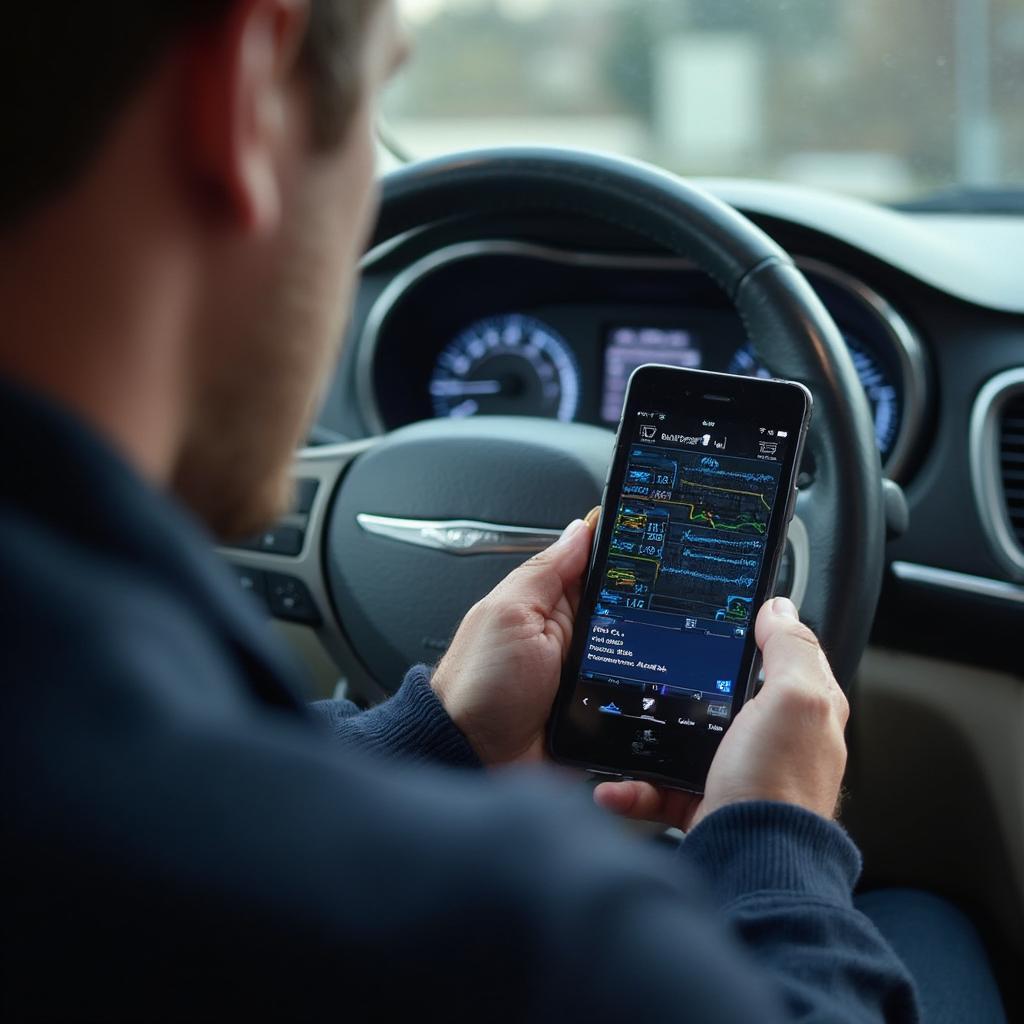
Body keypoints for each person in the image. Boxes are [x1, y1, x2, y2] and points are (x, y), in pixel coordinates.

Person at [0, 2, 1004, 1021]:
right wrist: (778, 840)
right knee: (924, 923)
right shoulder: (526, 932)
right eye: (377, 100)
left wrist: (436, 735)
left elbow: (194, 805)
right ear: (244, 89)